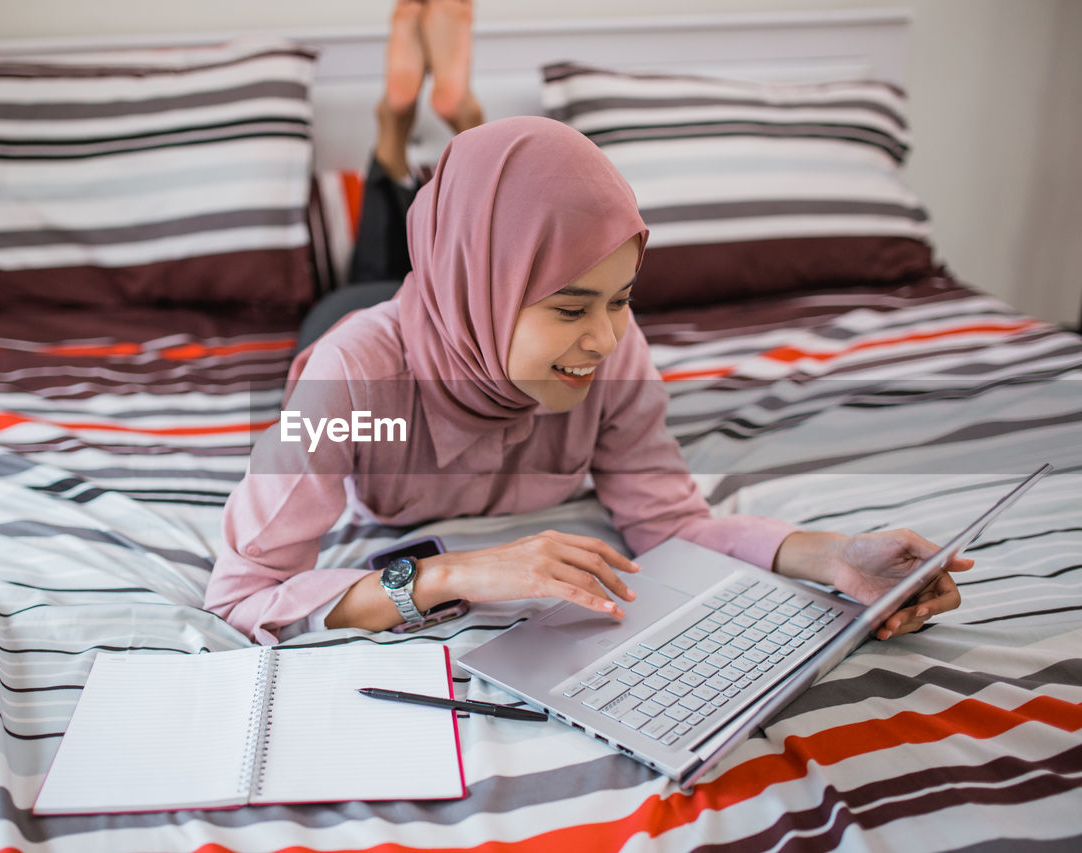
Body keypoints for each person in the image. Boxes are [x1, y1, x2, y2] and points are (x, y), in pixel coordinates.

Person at [203, 113, 972, 645]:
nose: (605, 338)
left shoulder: (614, 348)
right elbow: (243, 595)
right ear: (489, 288)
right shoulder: (351, 380)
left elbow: (669, 522)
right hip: (382, 333)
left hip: (469, 304)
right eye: (572, 305)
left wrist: (829, 556)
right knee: (357, 297)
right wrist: (456, 572)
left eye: (622, 297)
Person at [298, 0, 485, 351]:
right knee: (490, 276)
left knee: (373, 303)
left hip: (364, 310)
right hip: (475, 307)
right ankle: (464, 121)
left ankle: (394, 131)